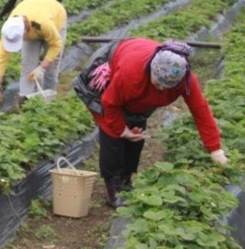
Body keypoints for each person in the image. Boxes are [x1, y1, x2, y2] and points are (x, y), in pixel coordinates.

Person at [72, 38, 228, 208]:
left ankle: (126, 179)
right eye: (158, 82)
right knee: (112, 133)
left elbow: (201, 111)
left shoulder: (185, 79)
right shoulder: (131, 74)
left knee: (137, 131)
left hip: (136, 94)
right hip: (113, 68)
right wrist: (122, 130)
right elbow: (109, 102)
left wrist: (215, 149)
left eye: (167, 85)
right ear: (151, 69)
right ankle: (114, 186)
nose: (161, 87)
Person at [0, 0, 67, 107]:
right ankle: (25, 103)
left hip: (55, 19)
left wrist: (42, 67)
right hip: (32, 19)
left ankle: (49, 103)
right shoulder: (11, 28)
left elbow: (56, 45)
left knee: (50, 70)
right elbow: (2, 57)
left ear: (25, 31)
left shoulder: (45, 23)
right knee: (27, 67)